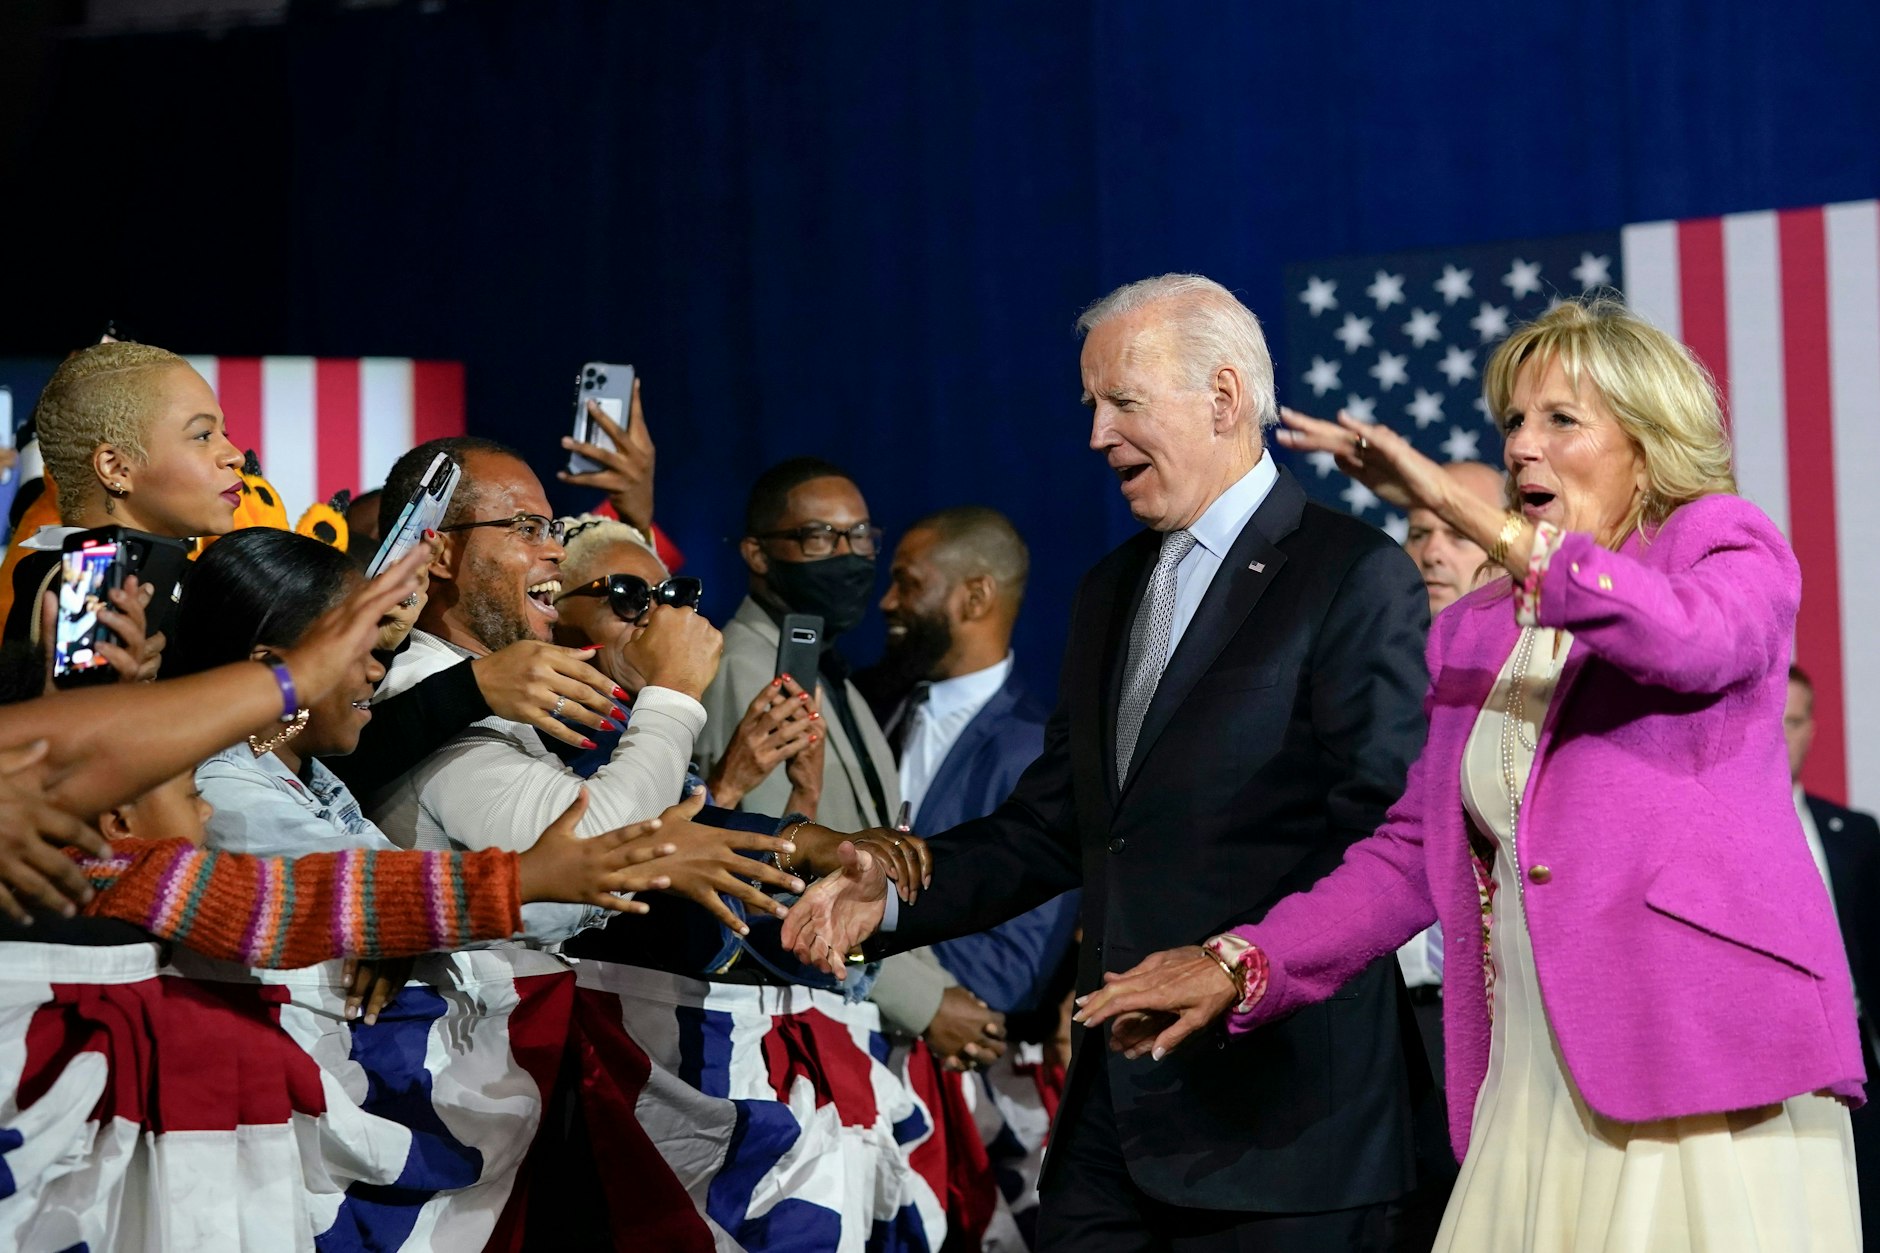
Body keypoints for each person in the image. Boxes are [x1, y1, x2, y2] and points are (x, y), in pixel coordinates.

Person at [1076, 296, 1865, 1250]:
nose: (1523, 447)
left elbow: (1688, 644)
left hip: (1697, 1067)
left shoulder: (1724, 546)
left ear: (1649, 443)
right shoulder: (1475, 631)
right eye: (1513, 424)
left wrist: (1458, 509)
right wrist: (1246, 959)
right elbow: (1412, 850)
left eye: (1559, 420)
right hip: (1530, 1074)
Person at [786, 273, 1432, 1251]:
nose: (1095, 434)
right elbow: (1056, 823)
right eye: (1091, 404)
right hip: (1113, 1129)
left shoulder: (1350, 574)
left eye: (1122, 401)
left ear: (1222, 397)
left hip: (1288, 1129)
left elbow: (1385, 838)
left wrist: (1237, 965)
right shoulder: (1108, 589)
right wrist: (894, 897)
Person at [364, 438, 793, 935]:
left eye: (552, 530)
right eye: (527, 529)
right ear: (437, 553)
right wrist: (674, 692)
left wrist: (812, 846)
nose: (555, 551)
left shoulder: (503, 692)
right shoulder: (421, 684)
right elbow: (600, 852)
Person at [697, 457, 988, 1056]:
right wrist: (926, 1003)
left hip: (850, 1010)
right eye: (820, 536)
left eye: (860, 537)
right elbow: (778, 874)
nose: (850, 556)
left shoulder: (831, 678)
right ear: (757, 554)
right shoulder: (743, 673)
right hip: (791, 1028)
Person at [7, 342, 245, 646]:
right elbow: (88, 695)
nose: (235, 456)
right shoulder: (89, 580)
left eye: (223, 434)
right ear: (116, 468)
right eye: (202, 435)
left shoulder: (171, 573)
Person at [1787, 663, 1880, 1241]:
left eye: (1793, 723)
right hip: (1765, 1064)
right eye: (1769, 721)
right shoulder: (1709, 835)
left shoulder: (1857, 835)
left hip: (1854, 1066)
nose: (1780, 736)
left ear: (1812, 730)